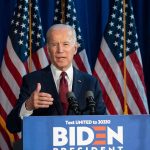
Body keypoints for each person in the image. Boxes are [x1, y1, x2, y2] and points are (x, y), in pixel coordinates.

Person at [6, 24, 106, 133]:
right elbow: (12, 126)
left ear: (75, 49)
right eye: (54, 44)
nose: (60, 50)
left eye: (65, 44)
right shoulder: (32, 81)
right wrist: (28, 106)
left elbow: (104, 125)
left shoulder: (90, 82)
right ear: (48, 49)